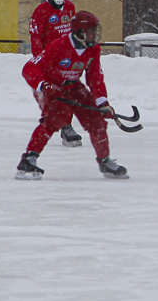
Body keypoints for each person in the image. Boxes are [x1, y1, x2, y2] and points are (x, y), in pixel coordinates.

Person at [17, 11, 128, 180]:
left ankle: (105, 161)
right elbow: (29, 69)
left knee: (96, 121)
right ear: (78, 31)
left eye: (94, 29)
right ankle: (28, 160)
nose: (94, 34)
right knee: (55, 119)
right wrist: (44, 85)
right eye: (90, 30)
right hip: (50, 86)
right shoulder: (58, 46)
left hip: (73, 86)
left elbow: (95, 78)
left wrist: (102, 103)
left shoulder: (93, 49)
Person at [28, 0, 83, 147]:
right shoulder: (41, 11)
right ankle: (63, 126)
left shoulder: (70, 8)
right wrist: (41, 58)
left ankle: (65, 125)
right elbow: (36, 37)